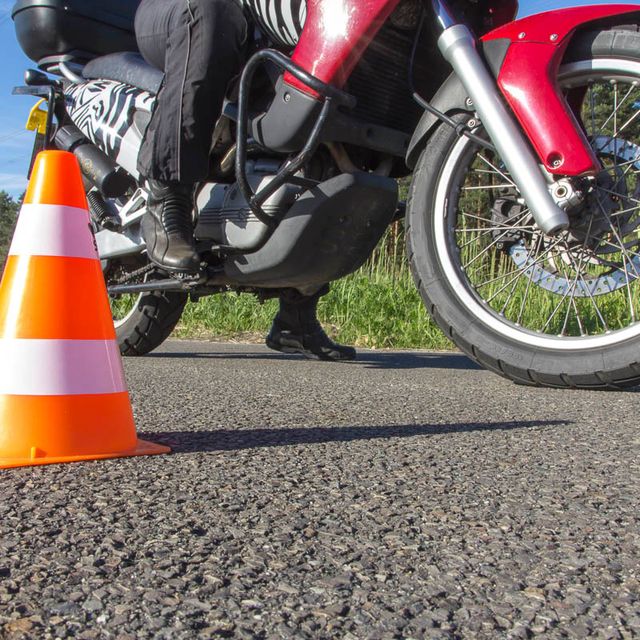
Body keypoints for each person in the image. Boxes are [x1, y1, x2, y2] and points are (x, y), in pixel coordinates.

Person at [134, 0, 355, 361]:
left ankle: (295, 316)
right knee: (209, 11)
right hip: (178, 10)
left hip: (258, 30)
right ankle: (167, 196)